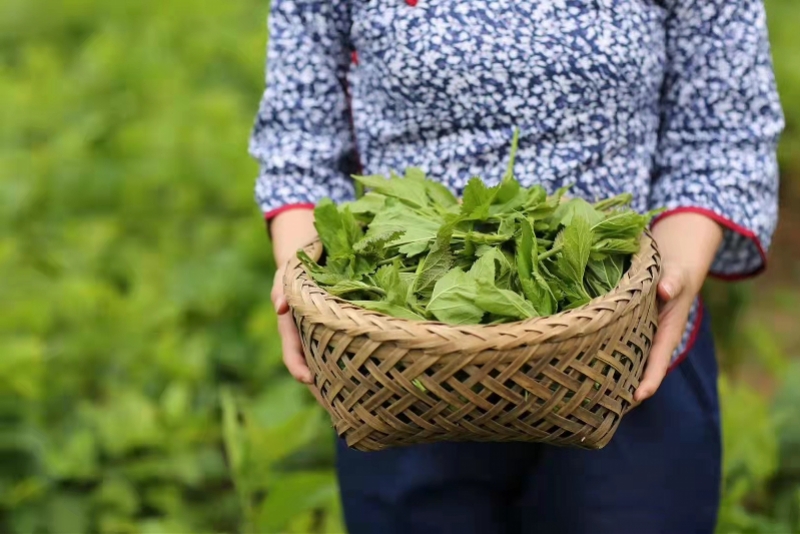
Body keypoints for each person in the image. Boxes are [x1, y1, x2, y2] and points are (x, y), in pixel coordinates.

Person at [249, 1, 784, 532]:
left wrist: (671, 277)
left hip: (624, 356)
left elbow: (724, 129)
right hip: (402, 374)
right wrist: (307, 282)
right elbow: (301, 137)